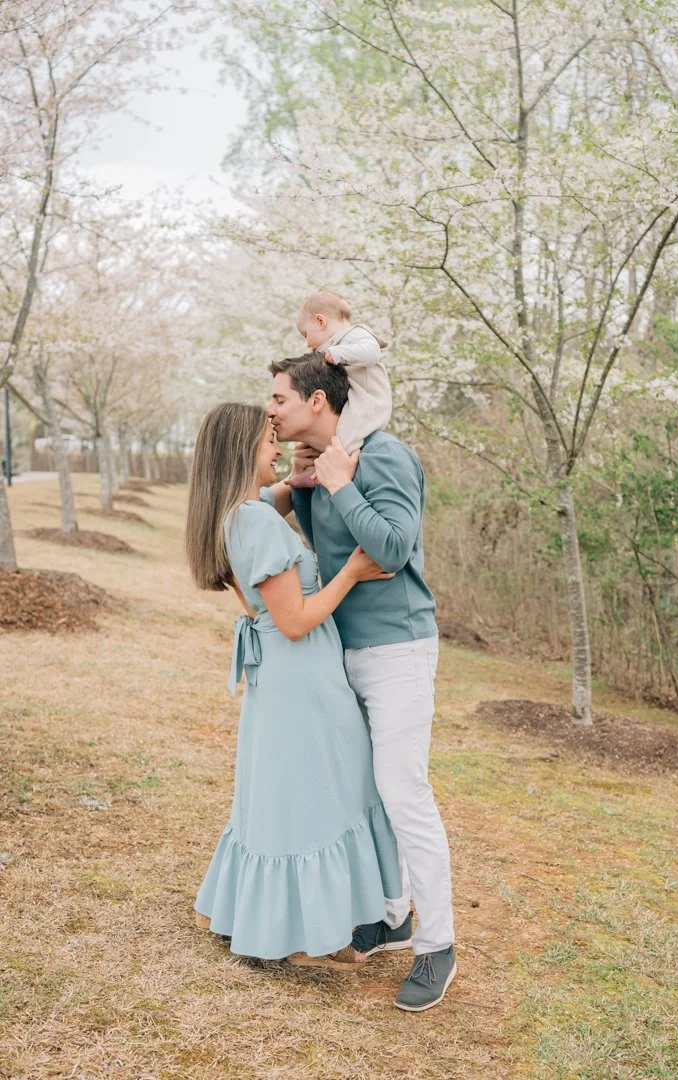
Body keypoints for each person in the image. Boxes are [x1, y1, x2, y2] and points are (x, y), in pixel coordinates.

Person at [268, 353, 456, 1012]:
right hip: (339, 653)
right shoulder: (313, 473)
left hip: (399, 649)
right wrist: (299, 487)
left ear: (319, 401)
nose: (271, 409)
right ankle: (392, 916)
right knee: (364, 795)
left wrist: (344, 484)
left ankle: (438, 945)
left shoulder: (385, 457)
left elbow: (395, 549)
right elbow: (264, 534)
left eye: (281, 398)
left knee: (403, 792)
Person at [185, 402, 402, 964]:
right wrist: (352, 571)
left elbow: (273, 497)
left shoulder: (235, 512)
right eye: (266, 443)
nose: (276, 450)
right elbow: (296, 620)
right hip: (301, 674)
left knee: (288, 794)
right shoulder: (254, 522)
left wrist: (302, 480)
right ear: (240, 454)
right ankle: (313, 932)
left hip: (279, 676)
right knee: (326, 793)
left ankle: (294, 919)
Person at [289, 290, 391, 487]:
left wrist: (338, 353)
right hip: (356, 399)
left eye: (306, 334)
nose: (307, 343)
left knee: (342, 440)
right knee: (330, 435)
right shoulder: (339, 343)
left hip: (370, 403)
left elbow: (372, 352)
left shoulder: (356, 334)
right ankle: (314, 468)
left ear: (320, 321)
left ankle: (324, 474)